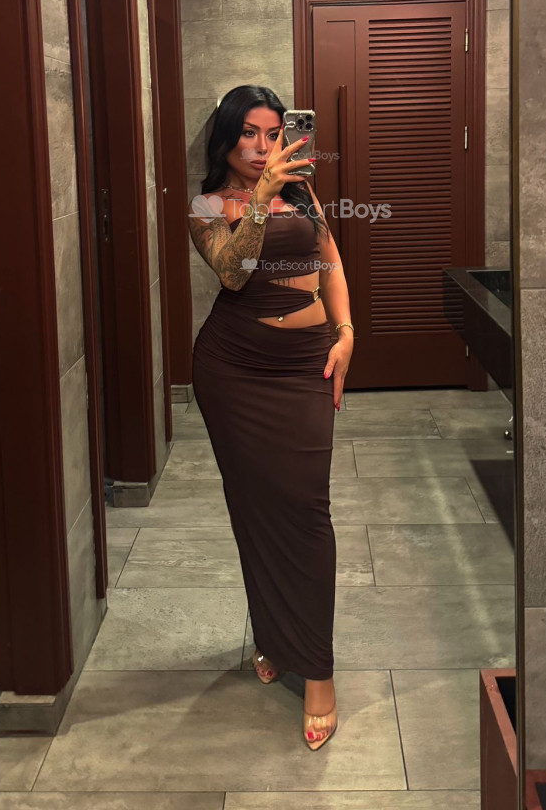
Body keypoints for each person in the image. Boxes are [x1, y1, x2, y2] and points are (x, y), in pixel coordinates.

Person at [188, 84, 354, 750]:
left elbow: (330, 260)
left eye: (274, 132)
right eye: (250, 133)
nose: (264, 146)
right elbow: (233, 272)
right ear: (226, 139)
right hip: (233, 371)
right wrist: (259, 197)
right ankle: (274, 638)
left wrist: (346, 331)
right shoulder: (207, 206)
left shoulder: (303, 192)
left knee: (306, 511)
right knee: (254, 508)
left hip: (304, 366)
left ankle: (317, 668)